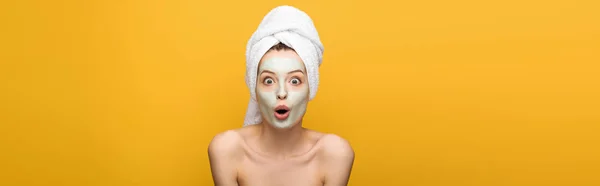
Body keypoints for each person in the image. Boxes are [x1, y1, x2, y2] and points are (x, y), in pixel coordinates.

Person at [208, 5, 355, 186]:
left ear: (311, 87)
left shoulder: (334, 153)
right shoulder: (227, 149)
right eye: (269, 81)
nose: (282, 93)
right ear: (255, 89)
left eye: (294, 81)